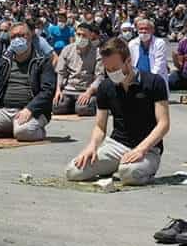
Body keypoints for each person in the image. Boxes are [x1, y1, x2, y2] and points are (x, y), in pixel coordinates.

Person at [65, 37, 169, 185]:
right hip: (116, 145)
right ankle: (114, 167)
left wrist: (141, 149)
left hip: (148, 148)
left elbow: (163, 124)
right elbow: (100, 126)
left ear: (128, 61)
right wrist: (92, 146)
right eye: (108, 70)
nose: (112, 73)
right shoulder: (105, 87)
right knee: (73, 171)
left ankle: (135, 170)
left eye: (115, 69)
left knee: (129, 174)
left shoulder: (154, 82)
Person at [0, 22, 56, 141]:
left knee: (24, 132)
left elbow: (48, 91)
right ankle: (11, 128)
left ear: (30, 37)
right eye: (13, 37)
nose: (18, 39)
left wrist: (30, 109)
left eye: (22, 35)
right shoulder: (5, 61)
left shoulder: (42, 62)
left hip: (31, 111)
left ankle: (34, 130)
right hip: (4, 110)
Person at [53, 21, 100, 116]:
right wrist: (58, 90)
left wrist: (89, 92)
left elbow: (100, 77)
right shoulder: (67, 49)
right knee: (57, 107)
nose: (81, 38)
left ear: (90, 36)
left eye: (84, 35)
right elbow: (61, 72)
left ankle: (79, 105)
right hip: (69, 89)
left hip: (86, 89)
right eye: (78, 34)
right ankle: (71, 105)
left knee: (83, 109)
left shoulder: (97, 53)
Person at [129, 17, 170, 90]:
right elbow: (130, 64)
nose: (143, 31)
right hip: (136, 80)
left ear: (152, 30)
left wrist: (148, 81)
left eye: (146, 28)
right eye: (141, 29)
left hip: (155, 80)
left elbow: (159, 65)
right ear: (137, 30)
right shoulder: (132, 44)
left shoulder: (159, 43)